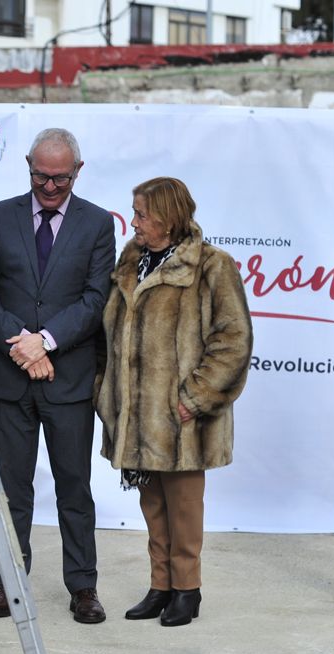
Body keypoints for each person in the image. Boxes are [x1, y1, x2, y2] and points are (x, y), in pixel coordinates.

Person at [0, 128, 115, 624]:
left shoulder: (97, 224)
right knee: (13, 490)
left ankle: (83, 587)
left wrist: (46, 342)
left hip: (68, 379)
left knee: (75, 487)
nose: (49, 187)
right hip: (8, 380)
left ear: (78, 171)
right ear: (28, 164)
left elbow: (96, 300)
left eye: (60, 178)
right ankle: (10, 583)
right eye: (40, 175)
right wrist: (24, 346)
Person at [95, 177, 252, 627]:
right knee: (153, 506)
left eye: (141, 213)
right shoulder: (131, 262)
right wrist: (107, 393)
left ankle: (187, 589)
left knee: (184, 509)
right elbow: (110, 337)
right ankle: (160, 586)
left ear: (166, 217)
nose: (134, 221)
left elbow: (233, 339)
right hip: (137, 416)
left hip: (182, 419)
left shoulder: (211, 265)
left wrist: (196, 398)